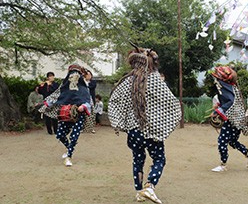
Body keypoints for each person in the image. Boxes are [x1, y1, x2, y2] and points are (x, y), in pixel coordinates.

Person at [108, 46, 181, 203]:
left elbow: (114, 101)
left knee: (138, 160)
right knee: (159, 159)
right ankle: (149, 186)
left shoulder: (127, 81)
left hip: (134, 132)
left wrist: (121, 123)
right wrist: (163, 122)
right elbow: (171, 103)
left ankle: (139, 191)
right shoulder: (154, 79)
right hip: (152, 131)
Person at [39, 64, 91, 167]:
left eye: (76, 74)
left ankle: (69, 157)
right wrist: (45, 104)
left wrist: (83, 106)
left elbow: (88, 101)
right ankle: (69, 148)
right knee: (60, 135)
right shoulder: (64, 87)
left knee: (74, 137)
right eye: (72, 74)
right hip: (65, 114)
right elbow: (56, 97)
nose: (74, 76)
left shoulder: (84, 88)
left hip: (78, 115)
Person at [210, 66, 248, 172]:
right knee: (233, 141)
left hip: (232, 119)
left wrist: (219, 111)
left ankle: (223, 165)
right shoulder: (232, 87)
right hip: (238, 118)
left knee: (222, 141)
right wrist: (220, 105)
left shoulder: (226, 86)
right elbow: (230, 100)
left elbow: (230, 102)